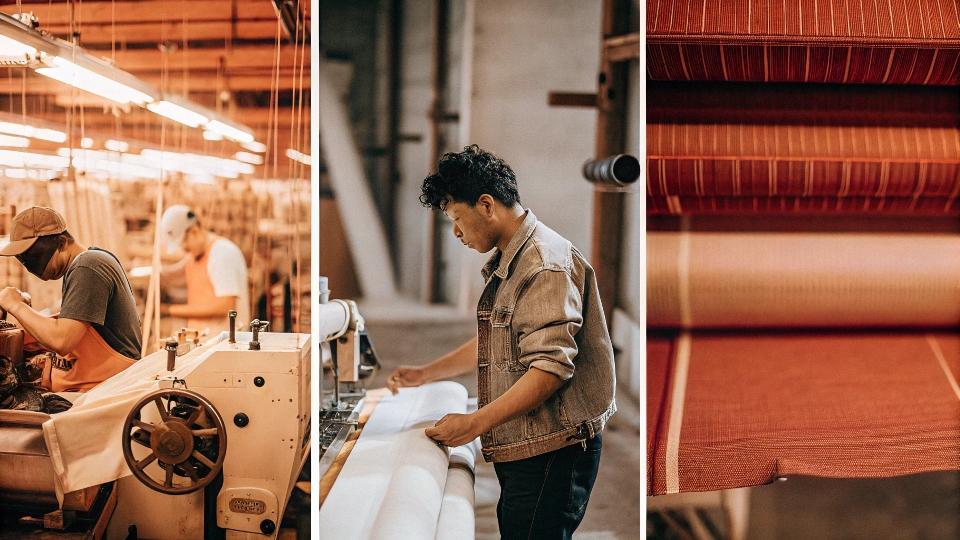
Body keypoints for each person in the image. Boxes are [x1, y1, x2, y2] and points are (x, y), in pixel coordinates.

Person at [386, 145, 617, 539]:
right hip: (533, 438)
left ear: (487, 204)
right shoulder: (514, 257)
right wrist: (426, 374)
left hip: (552, 451)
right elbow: (499, 338)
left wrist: (473, 424)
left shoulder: (543, 265)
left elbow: (549, 369)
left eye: (457, 219)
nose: (456, 232)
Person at [0, 206, 142, 403]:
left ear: (61, 242)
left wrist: (15, 305)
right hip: (102, 384)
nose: (30, 266)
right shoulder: (89, 263)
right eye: (22, 259)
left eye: (33, 256)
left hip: (104, 390)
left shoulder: (88, 266)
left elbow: (62, 341)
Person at [158, 205, 249, 334]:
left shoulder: (221, 254)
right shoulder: (197, 254)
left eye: (185, 245)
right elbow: (173, 273)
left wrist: (167, 309)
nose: (185, 250)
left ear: (194, 231)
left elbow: (225, 306)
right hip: (206, 341)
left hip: (224, 344)